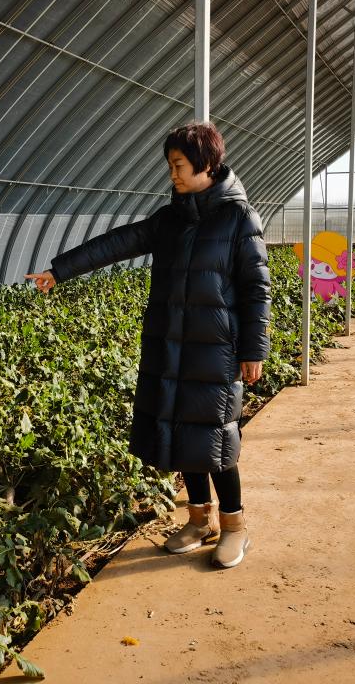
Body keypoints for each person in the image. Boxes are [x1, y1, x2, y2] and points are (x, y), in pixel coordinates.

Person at [25, 122, 270, 569]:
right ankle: (200, 520)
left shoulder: (239, 219)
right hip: (172, 347)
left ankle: (235, 527)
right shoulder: (169, 219)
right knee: (185, 434)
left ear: (206, 164)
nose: (172, 174)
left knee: (216, 440)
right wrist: (60, 271)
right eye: (170, 166)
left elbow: (256, 289)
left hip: (216, 350)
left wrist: (254, 349)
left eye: (179, 165)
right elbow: (117, 243)